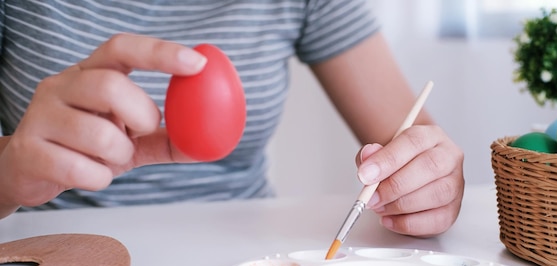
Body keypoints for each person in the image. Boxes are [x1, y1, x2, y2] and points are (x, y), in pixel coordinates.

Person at [0, 0, 464, 237]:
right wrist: (6, 177)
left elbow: (411, 143)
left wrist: (429, 180)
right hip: (55, 262)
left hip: (241, 261)